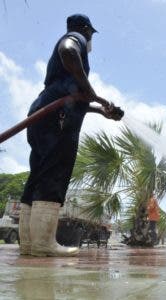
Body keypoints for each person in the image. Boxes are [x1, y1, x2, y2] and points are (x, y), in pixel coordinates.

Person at [18, 14, 123, 257]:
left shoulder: (62, 80)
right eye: (91, 35)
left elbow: (75, 98)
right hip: (59, 116)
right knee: (55, 172)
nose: (90, 40)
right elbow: (68, 50)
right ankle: (44, 244)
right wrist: (91, 92)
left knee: (38, 174)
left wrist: (99, 108)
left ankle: (29, 245)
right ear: (86, 30)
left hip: (44, 110)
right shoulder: (74, 38)